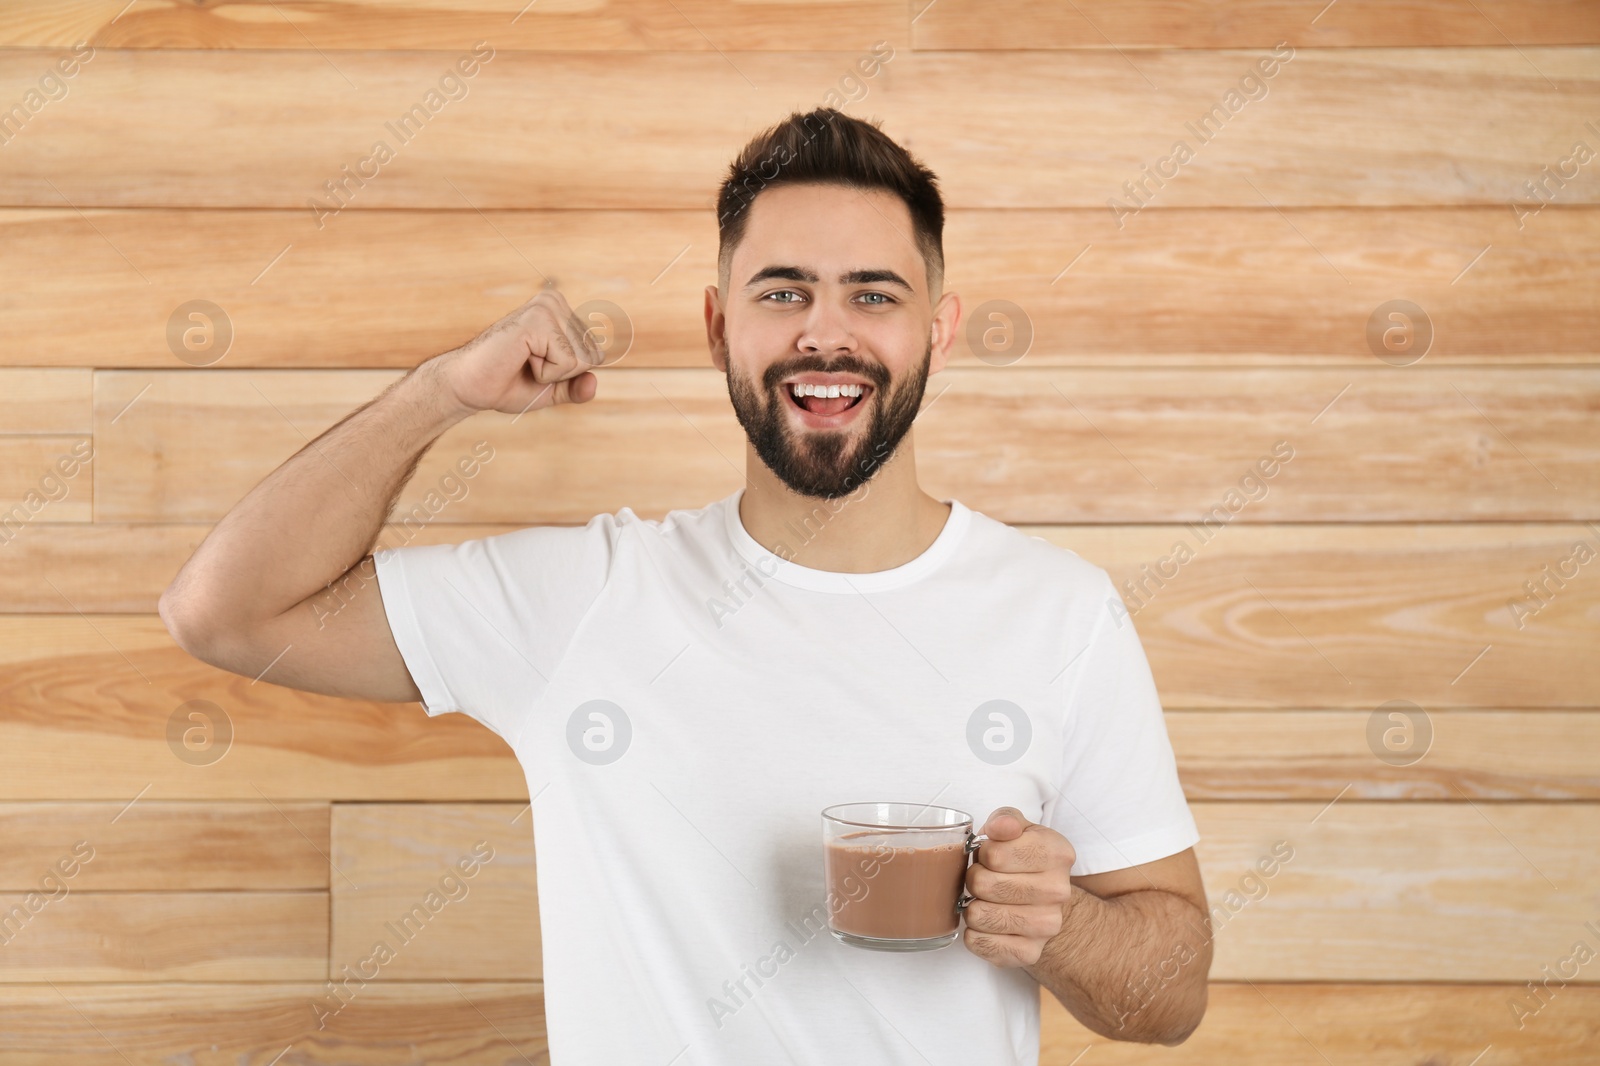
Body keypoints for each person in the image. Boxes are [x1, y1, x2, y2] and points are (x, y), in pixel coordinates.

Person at [160, 106, 1211, 1064]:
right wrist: (441, 394)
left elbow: (1170, 996)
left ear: (937, 326)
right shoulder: (581, 600)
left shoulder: (1061, 613)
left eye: (873, 294)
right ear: (718, 327)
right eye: (782, 291)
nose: (824, 332)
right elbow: (225, 612)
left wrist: (1061, 927)